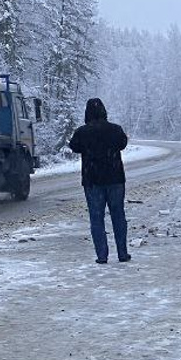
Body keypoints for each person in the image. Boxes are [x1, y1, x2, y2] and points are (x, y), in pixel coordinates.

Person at [68, 98, 132, 264]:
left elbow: (73, 146)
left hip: (92, 180)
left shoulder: (82, 132)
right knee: (118, 215)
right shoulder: (115, 130)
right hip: (115, 178)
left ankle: (102, 255)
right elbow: (122, 144)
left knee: (96, 218)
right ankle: (122, 253)